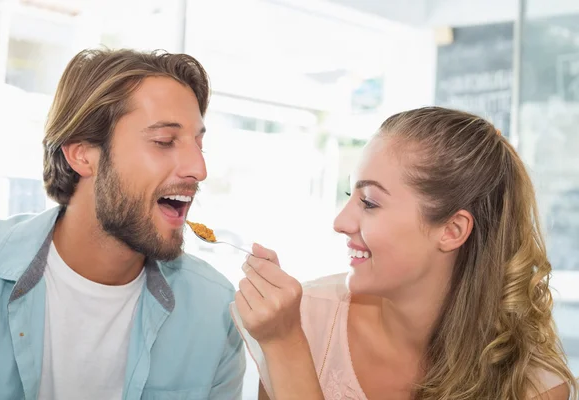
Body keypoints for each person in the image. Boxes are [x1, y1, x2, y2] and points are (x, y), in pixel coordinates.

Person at [232, 107, 578, 399]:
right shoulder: (303, 318)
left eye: (368, 202)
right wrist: (284, 342)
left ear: (452, 231)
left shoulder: (533, 386)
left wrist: (287, 347)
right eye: (350, 195)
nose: (340, 221)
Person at [0, 48, 245, 399]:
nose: (199, 169)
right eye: (165, 141)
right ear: (82, 154)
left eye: (199, 143)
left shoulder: (217, 310)